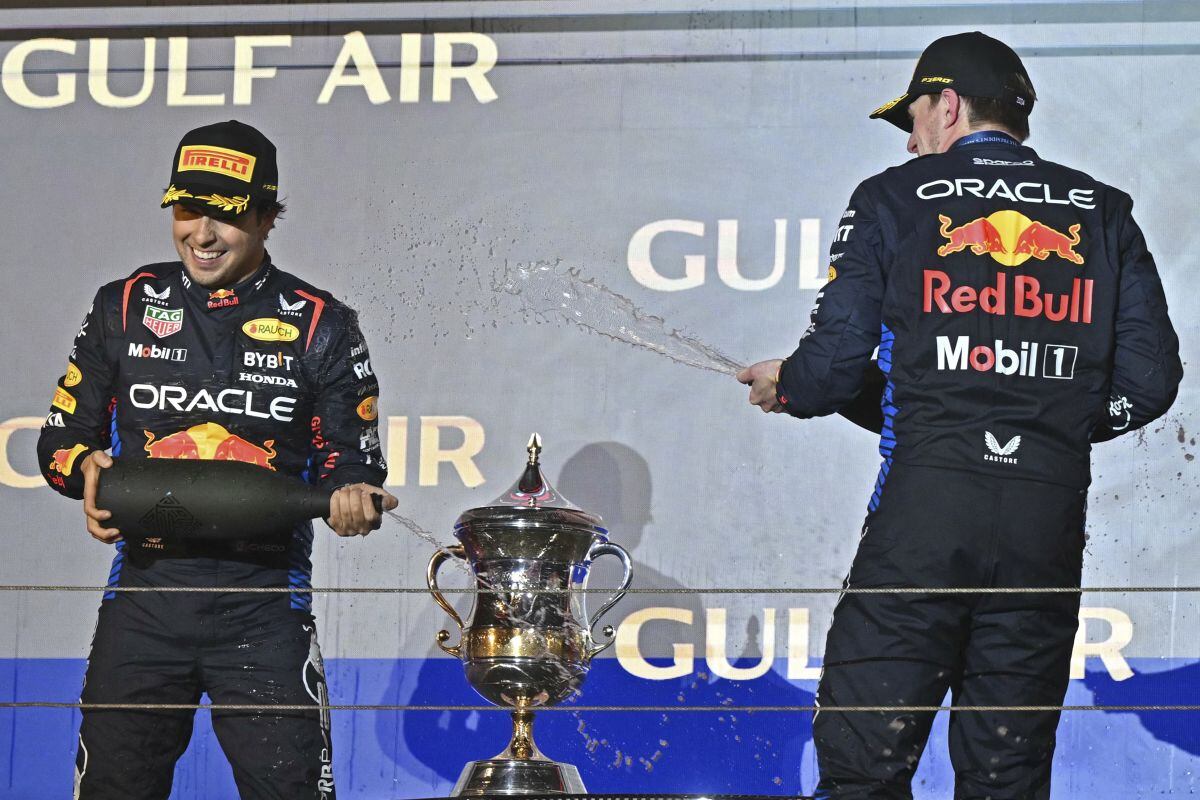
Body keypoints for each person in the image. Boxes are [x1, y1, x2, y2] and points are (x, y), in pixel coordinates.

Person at [737, 31, 1181, 799]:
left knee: (863, 769)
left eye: (913, 117)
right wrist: (1054, 419)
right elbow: (1150, 382)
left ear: (948, 103)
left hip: (924, 522)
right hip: (1044, 532)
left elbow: (833, 368)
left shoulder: (891, 196)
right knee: (1007, 779)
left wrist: (795, 384)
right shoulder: (1104, 211)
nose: (911, 140)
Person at [37, 119, 399, 800]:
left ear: (266, 218)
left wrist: (351, 499)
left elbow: (353, 467)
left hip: (263, 611)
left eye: (226, 216)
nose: (200, 234)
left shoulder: (322, 324)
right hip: (142, 604)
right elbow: (57, 444)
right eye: (186, 210)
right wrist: (84, 469)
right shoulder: (123, 306)